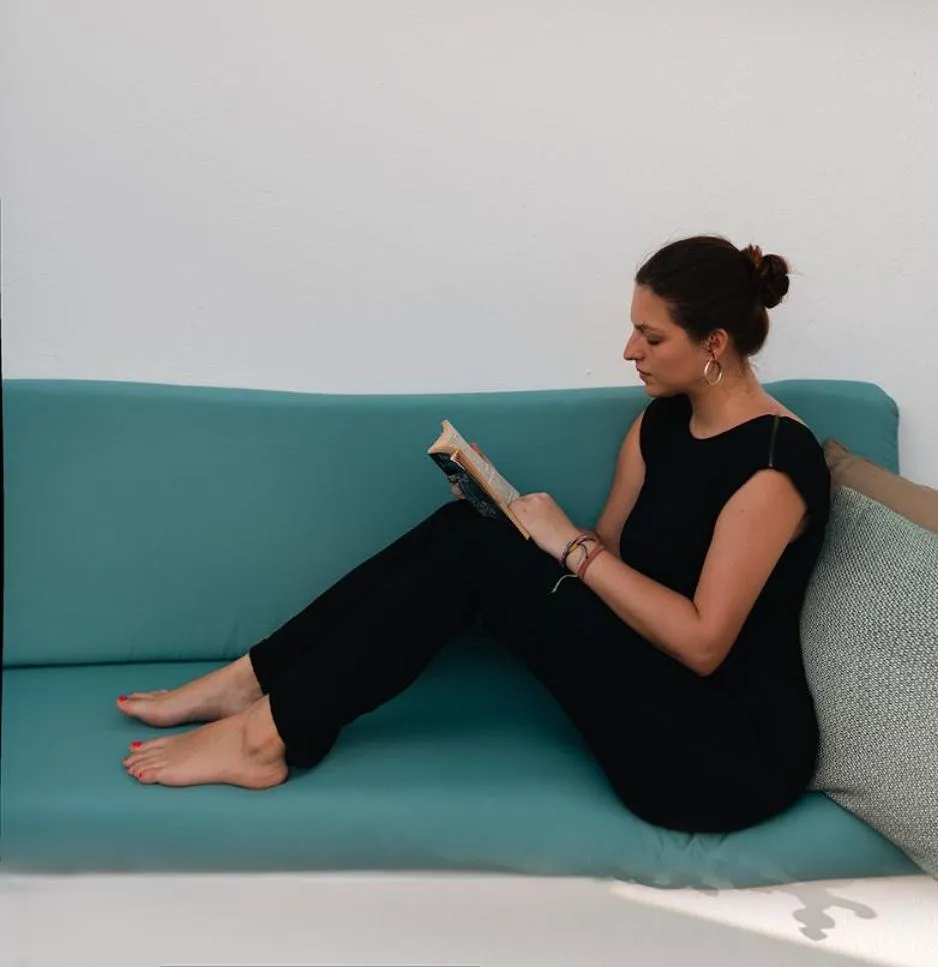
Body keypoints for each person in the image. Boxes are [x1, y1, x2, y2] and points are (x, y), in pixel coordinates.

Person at [116, 234, 832, 833]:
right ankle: (252, 683)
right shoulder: (662, 421)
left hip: (720, 754)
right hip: (650, 676)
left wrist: (567, 544)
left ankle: (262, 737)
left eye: (651, 336)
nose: (627, 350)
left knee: (482, 551)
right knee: (473, 525)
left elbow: (704, 643)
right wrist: (516, 514)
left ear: (713, 343)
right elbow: (611, 559)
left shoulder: (774, 463)